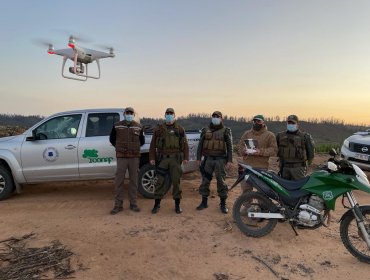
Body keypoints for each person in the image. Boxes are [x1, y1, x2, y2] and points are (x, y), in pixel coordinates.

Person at [149, 108, 189, 214]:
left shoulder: (180, 129)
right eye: (167, 114)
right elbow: (152, 145)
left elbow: (185, 145)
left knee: (176, 182)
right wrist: (152, 158)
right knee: (160, 182)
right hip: (162, 159)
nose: (169, 116)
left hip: (175, 160)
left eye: (171, 114)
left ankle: (177, 205)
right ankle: (156, 205)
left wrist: (186, 158)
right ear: (164, 115)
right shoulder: (159, 129)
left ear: (174, 116)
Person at [196, 111, 233, 214]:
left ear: (221, 118)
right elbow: (200, 145)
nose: (215, 118)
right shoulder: (205, 130)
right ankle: (204, 202)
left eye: (217, 116)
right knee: (205, 181)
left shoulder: (226, 131)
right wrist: (198, 158)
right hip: (208, 159)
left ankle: (223, 204)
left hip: (220, 160)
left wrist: (230, 160)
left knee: (221, 181)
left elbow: (230, 147)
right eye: (213, 116)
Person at [109, 107, 145, 214]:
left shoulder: (139, 127)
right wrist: (120, 148)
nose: (129, 115)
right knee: (119, 181)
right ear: (124, 114)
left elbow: (141, 141)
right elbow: (112, 139)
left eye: (131, 113)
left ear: (133, 115)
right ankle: (118, 205)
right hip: (122, 157)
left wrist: (133, 148)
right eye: (127, 113)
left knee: (134, 181)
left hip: (134, 157)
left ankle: (133, 204)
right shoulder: (117, 125)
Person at [237, 114, 278, 193]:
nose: (256, 123)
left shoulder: (270, 135)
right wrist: (244, 150)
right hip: (247, 167)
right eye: (255, 121)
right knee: (246, 189)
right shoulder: (247, 134)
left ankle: (262, 205)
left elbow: (274, 150)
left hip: (261, 168)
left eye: (258, 121)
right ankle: (247, 205)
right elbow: (240, 147)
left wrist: (260, 152)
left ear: (263, 122)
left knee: (262, 191)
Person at [276, 114, 315, 180]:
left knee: (298, 188)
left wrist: (306, 165)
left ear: (297, 124)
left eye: (293, 123)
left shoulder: (305, 136)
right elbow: (275, 149)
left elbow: (311, 154)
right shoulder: (280, 136)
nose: (290, 124)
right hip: (284, 168)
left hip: (298, 169)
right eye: (289, 122)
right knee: (284, 188)